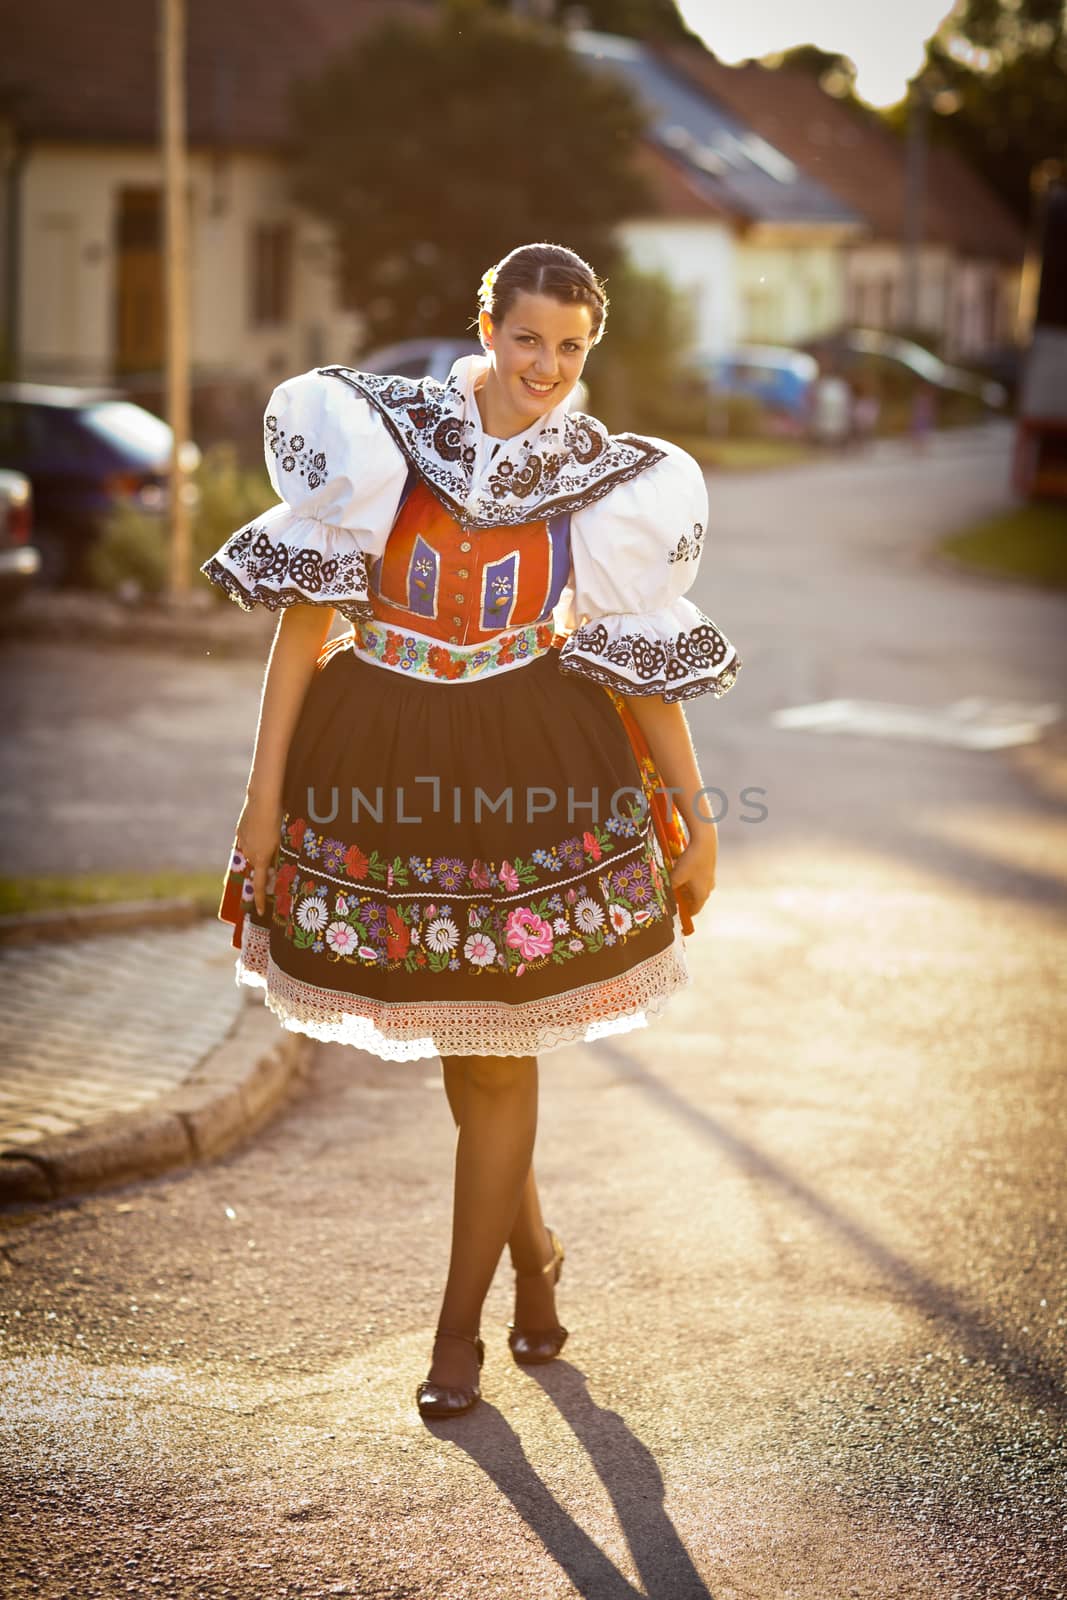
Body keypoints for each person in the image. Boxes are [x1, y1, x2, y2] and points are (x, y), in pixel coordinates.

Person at [200, 242, 742, 1421]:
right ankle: (535, 1258)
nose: (545, 365)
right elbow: (302, 634)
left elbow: (633, 656)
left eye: (570, 347)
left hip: (528, 771)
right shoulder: (379, 442)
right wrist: (263, 794)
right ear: (485, 325)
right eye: (527, 336)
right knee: (470, 1049)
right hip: (379, 760)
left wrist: (695, 817)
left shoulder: (607, 485)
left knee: (498, 1053)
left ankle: (459, 1337)